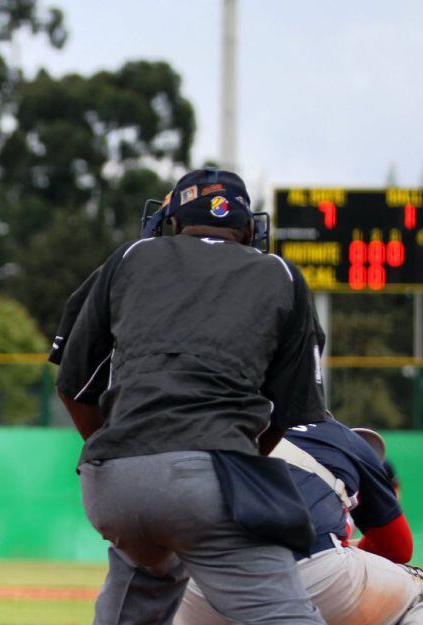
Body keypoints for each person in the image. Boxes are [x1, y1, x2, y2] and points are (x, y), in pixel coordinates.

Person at [55, 167, 328, 625]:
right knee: (284, 616)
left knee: (142, 586)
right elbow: (289, 411)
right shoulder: (279, 273)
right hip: (209, 478)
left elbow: (72, 384)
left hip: (112, 485)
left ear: (174, 222)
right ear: (249, 229)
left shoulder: (131, 257)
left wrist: (124, 450)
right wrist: (234, 464)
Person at [175, 418, 423, 625]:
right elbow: (398, 548)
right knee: (420, 589)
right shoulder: (339, 437)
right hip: (310, 570)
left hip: (203, 581)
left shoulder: (226, 423)